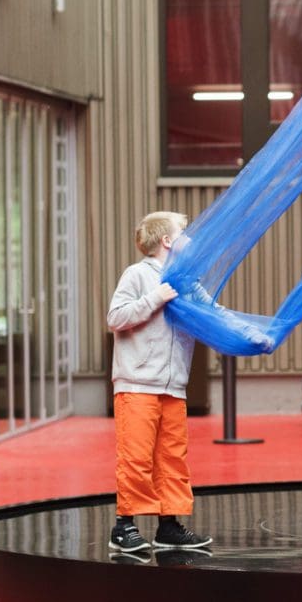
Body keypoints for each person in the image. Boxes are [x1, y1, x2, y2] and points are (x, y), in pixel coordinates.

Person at [107, 211, 213, 553]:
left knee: (173, 456)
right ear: (166, 240)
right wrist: (156, 298)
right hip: (138, 384)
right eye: (184, 233)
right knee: (136, 456)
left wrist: (250, 336)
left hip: (173, 386)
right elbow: (116, 317)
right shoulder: (137, 274)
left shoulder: (188, 281)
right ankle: (125, 526)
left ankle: (169, 525)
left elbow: (214, 313)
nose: (190, 240)